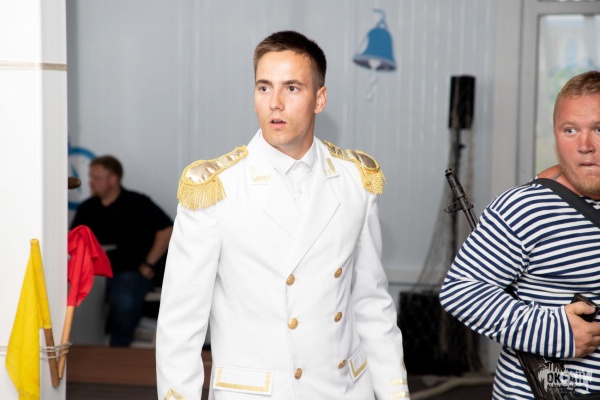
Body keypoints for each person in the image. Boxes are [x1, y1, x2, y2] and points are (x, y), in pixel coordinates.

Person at [156, 31, 409, 400]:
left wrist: (395, 394)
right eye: (264, 87)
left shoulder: (356, 181)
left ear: (319, 98)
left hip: (344, 389)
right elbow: (180, 325)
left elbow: (371, 304)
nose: (275, 103)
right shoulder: (215, 188)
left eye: (292, 88)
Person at [439, 70, 600, 399]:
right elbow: (461, 291)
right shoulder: (524, 207)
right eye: (570, 130)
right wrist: (556, 332)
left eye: (599, 129)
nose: (585, 146)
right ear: (555, 135)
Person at [71, 155, 173, 347]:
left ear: (113, 179)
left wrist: (149, 263)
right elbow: (73, 241)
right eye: (91, 177)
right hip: (93, 274)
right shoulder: (87, 209)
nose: (91, 182)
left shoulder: (137, 203)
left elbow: (166, 230)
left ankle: (118, 352)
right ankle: (83, 350)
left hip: (129, 271)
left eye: (97, 177)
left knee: (124, 299)